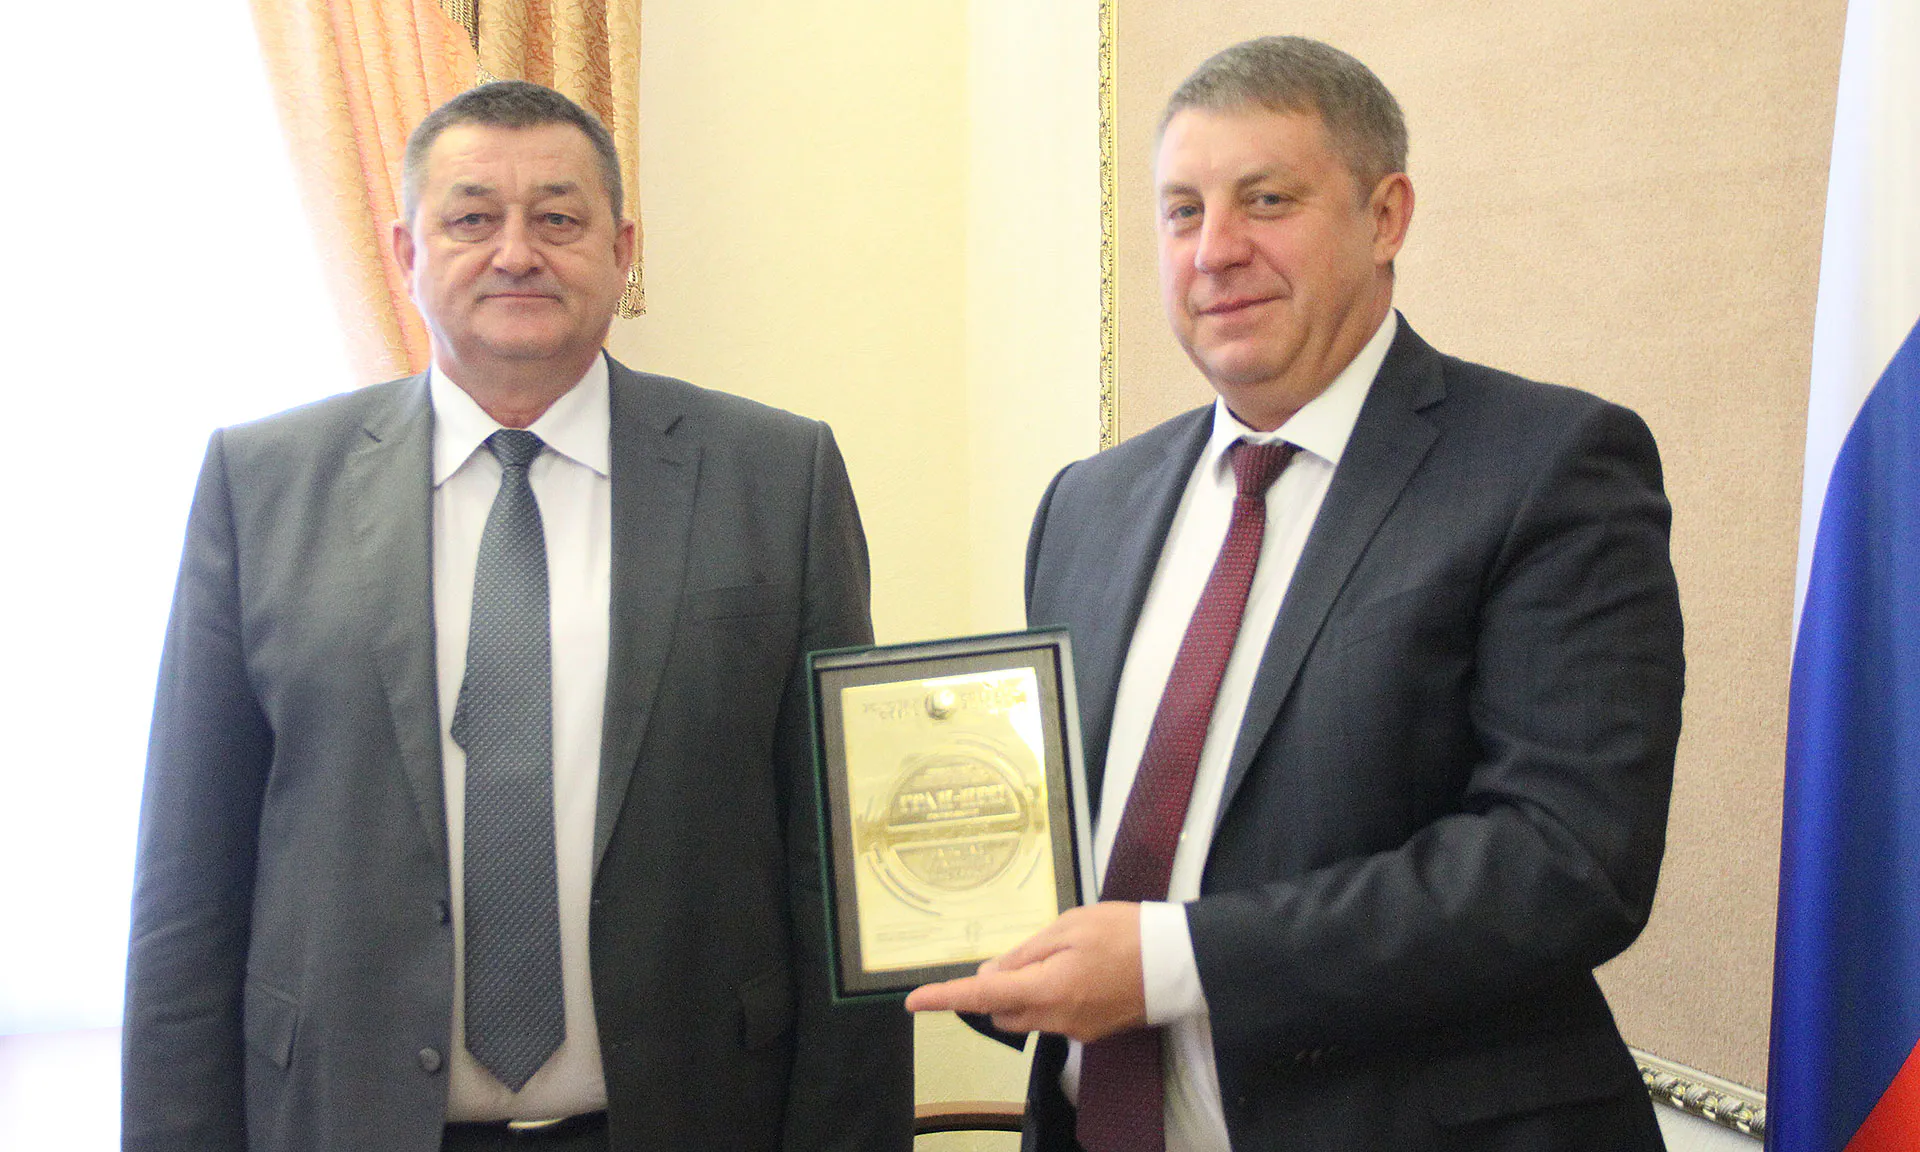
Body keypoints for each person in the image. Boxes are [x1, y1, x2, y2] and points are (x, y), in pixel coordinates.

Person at [907, 36, 1683, 1152]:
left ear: (1386, 215)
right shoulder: (1089, 502)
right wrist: (953, 914)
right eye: (1182, 212)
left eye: (1266, 200)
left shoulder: (1548, 466)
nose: (1215, 250)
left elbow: (1564, 861)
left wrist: (1171, 963)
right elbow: (1057, 831)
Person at [123, 80, 912, 1152]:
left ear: (623, 249)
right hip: (350, 1121)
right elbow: (189, 879)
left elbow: (841, 865)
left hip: (691, 1118)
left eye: (557, 218)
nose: (515, 253)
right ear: (405, 251)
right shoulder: (261, 484)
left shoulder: (777, 476)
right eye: (471, 218)